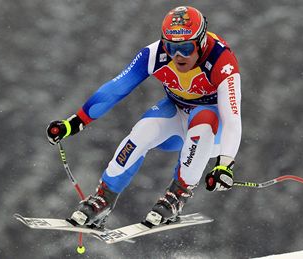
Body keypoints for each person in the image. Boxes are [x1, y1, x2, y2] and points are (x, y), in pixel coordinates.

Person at [46, 6, 241, 228]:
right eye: (171, 47)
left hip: (212, 132)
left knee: (204, 118)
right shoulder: (154, 54)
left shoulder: (222, 62)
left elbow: (233, 118)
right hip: (176, 114)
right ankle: (104, 198)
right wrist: (74, 123)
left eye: (186, 48)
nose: (178, 56)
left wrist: (224, 165)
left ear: (201, 42)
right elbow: (116, 88)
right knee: (142, 132)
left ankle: (177, 194)